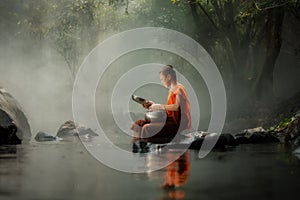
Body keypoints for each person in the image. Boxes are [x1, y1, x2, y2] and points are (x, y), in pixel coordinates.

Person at [131, 65, 191, 146]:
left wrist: (159, 106)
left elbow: (177, 107)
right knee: (138, 124)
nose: (162, 82)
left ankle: (146, 148)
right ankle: (137, 147)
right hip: (169, 119)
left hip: (177, 123)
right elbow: (169, 108)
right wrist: (153, 105)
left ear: (169, 77)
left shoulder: (179, 89)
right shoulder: (171, 90)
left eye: (162, 79)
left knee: (146, 128)